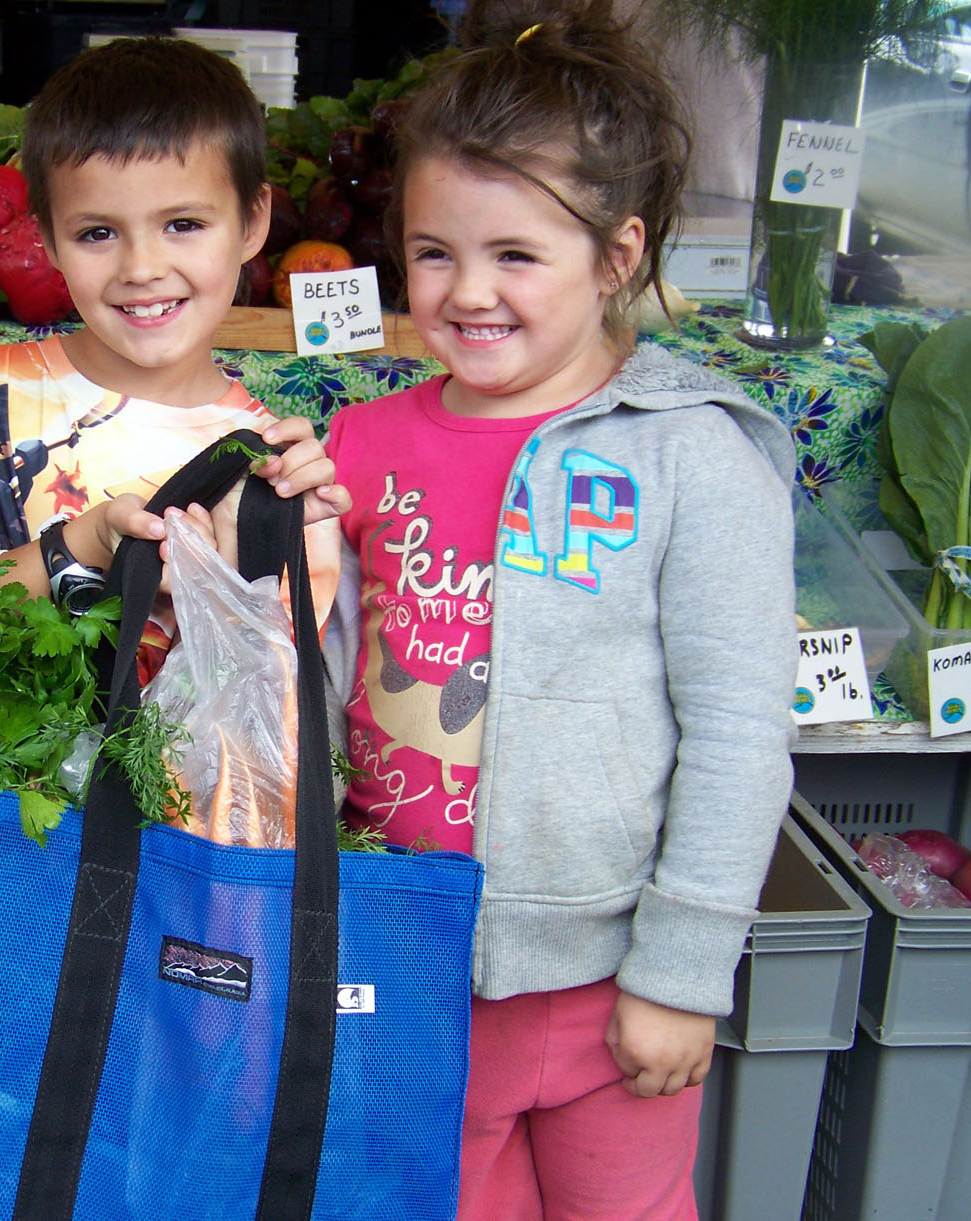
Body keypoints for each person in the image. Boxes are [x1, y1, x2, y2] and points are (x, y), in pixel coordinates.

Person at [322, 3, 796, 1217]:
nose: (467, 293)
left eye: (516, 256)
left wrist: (682, 974)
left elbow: (741, 735)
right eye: (432, 253)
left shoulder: (692, 457)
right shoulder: (361, 443)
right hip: (406, 960)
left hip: (609, 980)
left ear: (618, 254)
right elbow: (316, 680)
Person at [0, 35, 347, 670]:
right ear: (49, 243)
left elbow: (262, 715)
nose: (142, 268)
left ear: (253, 224)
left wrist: (251, 549)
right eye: (98, 233)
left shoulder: (270, 471)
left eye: (183, 224)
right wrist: (84, 544)